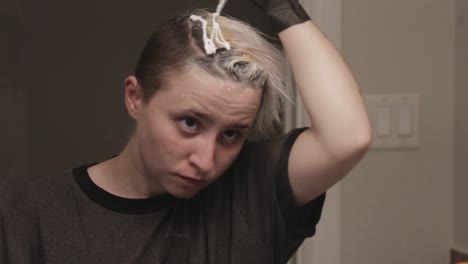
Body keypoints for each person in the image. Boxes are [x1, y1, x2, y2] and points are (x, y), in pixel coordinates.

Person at [0, 1, 372, 263]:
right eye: (190, 123)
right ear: (135, 97)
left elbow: (347, 138)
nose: (206, 161)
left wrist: (281, 7)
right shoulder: (28, 214)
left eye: (232, 134)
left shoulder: (250, 192)